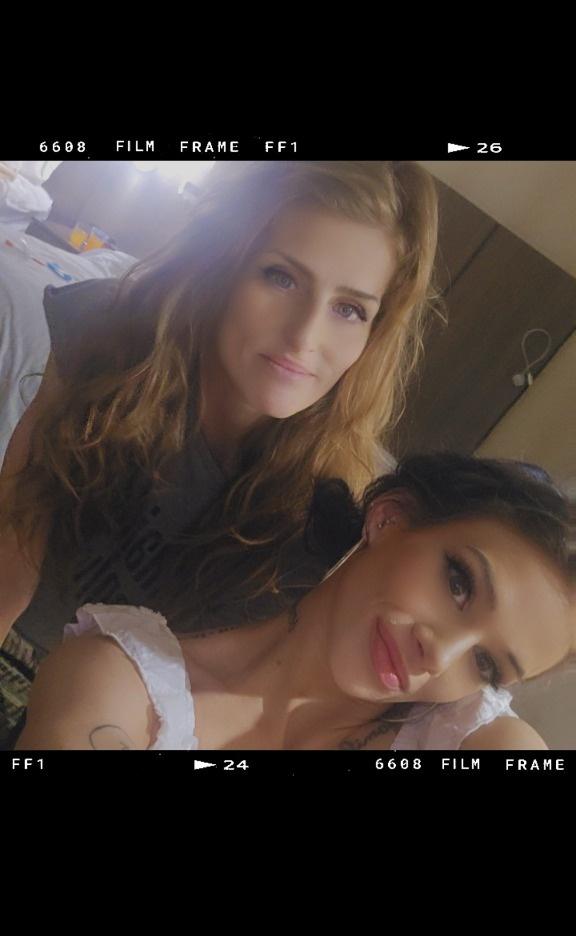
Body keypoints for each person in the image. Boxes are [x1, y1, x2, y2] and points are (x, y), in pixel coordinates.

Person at [0, 161, 439, 745]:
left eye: (349, 309)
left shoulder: (335, 510)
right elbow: (15, 540)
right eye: (281, 277)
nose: (304, 338)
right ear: (226, 262)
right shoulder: (110, 336)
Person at [14, 453, 575, 751]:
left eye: (486, 664)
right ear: (390, 518)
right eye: (459, 583)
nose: (440, 655)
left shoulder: (465, 736)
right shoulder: (120, 682)